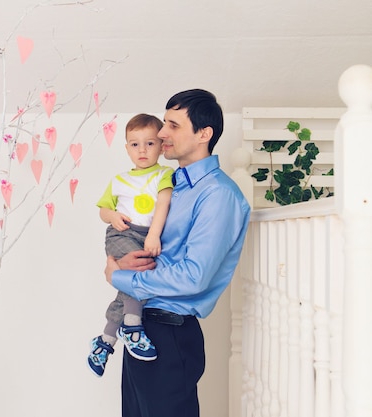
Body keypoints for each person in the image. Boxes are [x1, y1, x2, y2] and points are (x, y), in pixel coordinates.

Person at [104, 89, 250, 417]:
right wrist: (123, 260)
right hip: (141, 325)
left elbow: (194, 277)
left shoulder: (218, 195)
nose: (161, 133)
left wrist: (120, 277)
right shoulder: (170, 185)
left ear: (204, 134)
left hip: (168, 335)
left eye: (172, 125)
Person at [88, 113, 174, 377]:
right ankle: (133, 327)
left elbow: (163, 205)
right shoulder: (119, 180)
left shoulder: (165, 174)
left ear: (161, 145)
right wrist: (112, 216)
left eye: (149, 143)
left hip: (147, 234)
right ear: (126, 148)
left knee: (127, 291)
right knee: (139, 275)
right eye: (134, 144)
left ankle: (105, 341)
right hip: (121, 235)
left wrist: (154, 235)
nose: (142, 150)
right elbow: (103, 209)